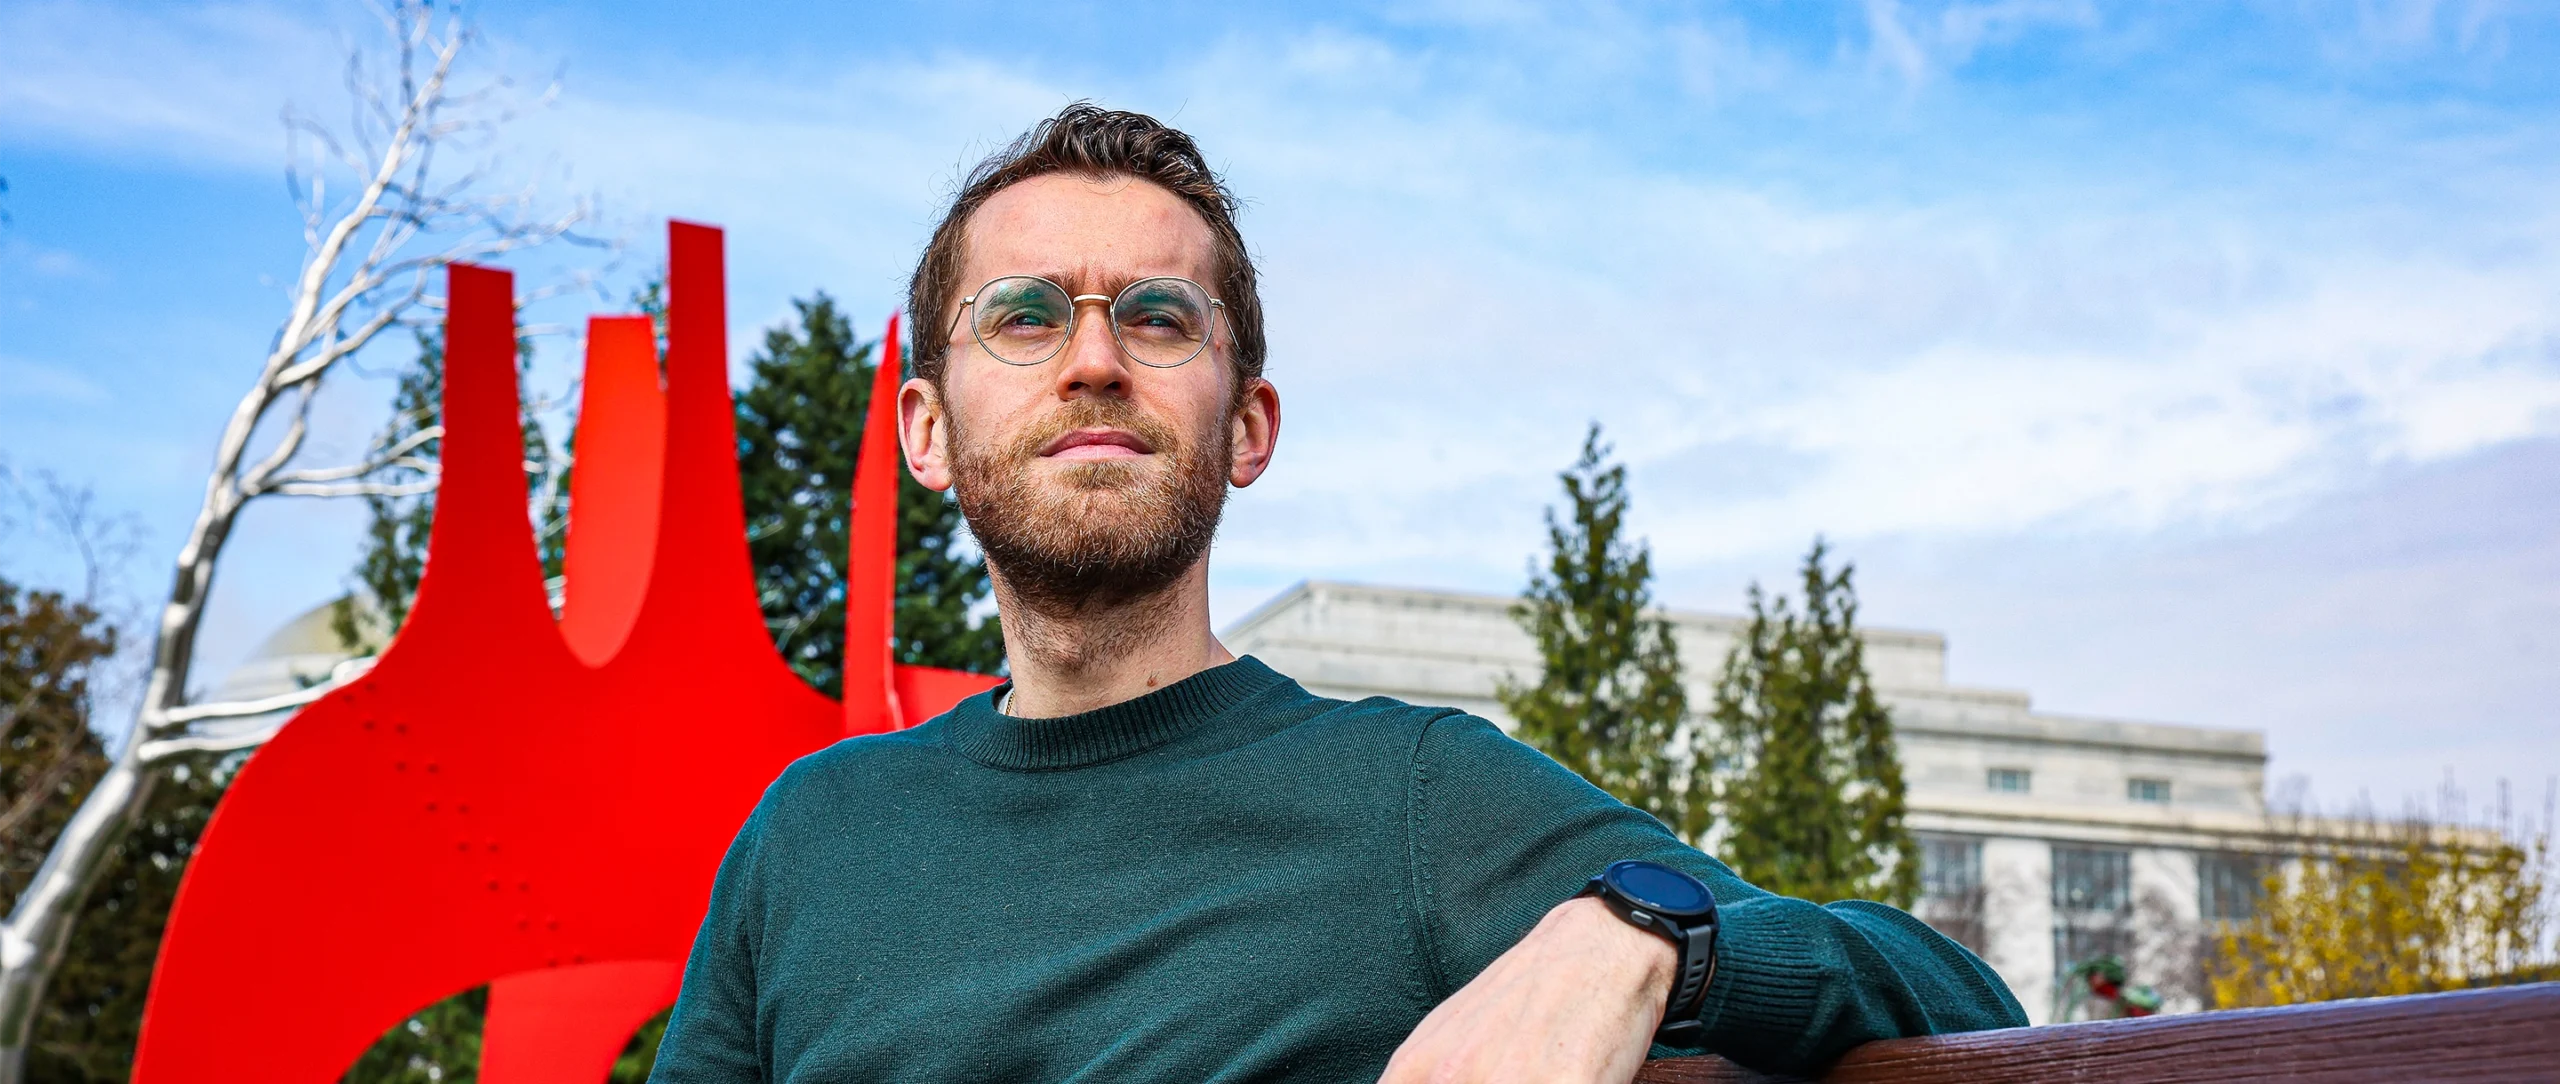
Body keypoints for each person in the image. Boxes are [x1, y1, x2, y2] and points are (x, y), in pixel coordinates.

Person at [650, 104, 2024, 1084]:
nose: (1093, 360)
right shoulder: (810, 836)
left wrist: (1635, 934)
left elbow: (1954, 994)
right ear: (927, 432)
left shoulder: (1413, 796)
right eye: (1024, 314)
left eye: (1158, 315)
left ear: (1248, 427)